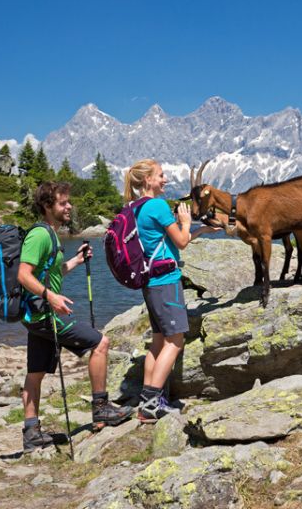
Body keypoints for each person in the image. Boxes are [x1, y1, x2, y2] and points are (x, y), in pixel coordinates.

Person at [18, 181, 132, 451]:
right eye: (62, 203)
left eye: (68, 202)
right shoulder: (40, 236)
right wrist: (51, 297)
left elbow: (51, 273)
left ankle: (31, 433)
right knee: (100, 343)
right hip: (46, 314)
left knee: (35, 373)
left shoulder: (51, 234)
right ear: (47, 206)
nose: (69, 206)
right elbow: (24, 275)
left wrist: (76, 262)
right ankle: (101, 407)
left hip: (35, 314)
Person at [123, 159, 218, 422]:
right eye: (161, 176)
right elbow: (182, 242)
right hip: (166, 281)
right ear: (147, 181)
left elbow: (168, 242)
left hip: (150, 282)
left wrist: (201, 229)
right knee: (175, 341)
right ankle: (152, 404)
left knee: (157, 342)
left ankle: (148, 400)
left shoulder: (135, 207)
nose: (165, 180)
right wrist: (186, 221)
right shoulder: (156, 205)